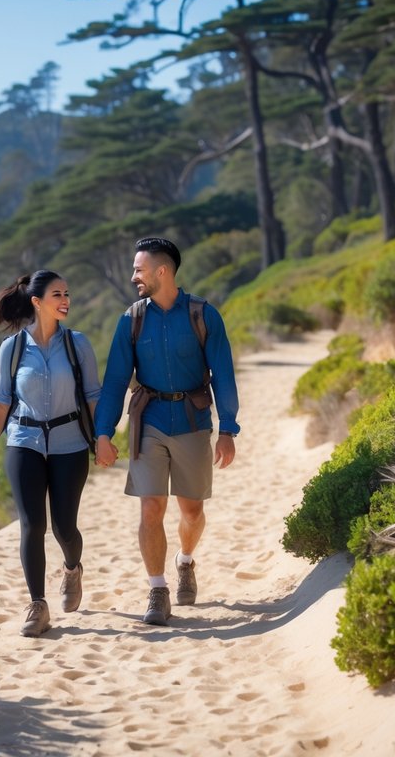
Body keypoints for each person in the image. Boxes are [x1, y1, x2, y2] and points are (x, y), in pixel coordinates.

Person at [93, 237, 239, 626]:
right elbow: (114, 381)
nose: (133, 277)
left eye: (139, 270)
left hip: (193, 421)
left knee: (192, 511)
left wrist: (228, 428)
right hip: (149, 422)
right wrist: (103, 432)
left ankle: (185, 561)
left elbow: (223, 374)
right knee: (151, 506)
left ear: (162, 272)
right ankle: (157, 590)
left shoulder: (203, 315)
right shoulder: (131, 319)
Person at [0, 270, 102, 638]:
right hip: (23, 442)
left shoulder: (77, 344)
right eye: (56, 294)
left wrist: (103, 440)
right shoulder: (13, 348)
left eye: (67, 293)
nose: (65, 300)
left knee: (65, 527)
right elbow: (1, 403)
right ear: (37, 302)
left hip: (70, 444)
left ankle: (72, 569)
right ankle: (37, 604)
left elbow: (93, 397)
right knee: (32, 525)